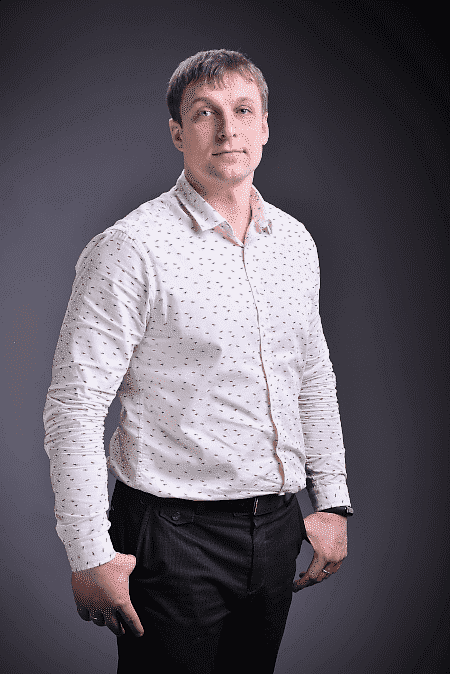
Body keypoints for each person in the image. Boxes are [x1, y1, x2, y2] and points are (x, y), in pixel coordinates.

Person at [43, 49, 353, 674]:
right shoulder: (131, 248)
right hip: (171, 536)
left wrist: (331, 499)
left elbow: (312, 377)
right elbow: (74, 408)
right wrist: (88, 552)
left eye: (243, 111)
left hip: (277, 528)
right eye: (205, 113)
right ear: (178, 132)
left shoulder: (295, 243)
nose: (227, 129)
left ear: (265, 126)